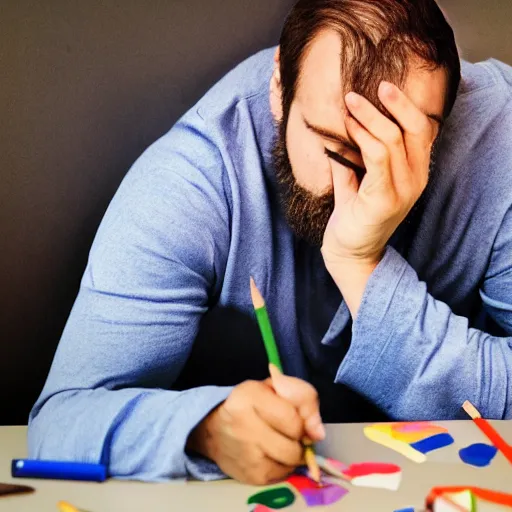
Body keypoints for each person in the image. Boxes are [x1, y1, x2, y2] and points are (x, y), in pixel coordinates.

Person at [28, 0, 512, 486]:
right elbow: (61, 419)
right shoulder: (197, 177)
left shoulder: (500, 137)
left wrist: (360, 262)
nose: (363, 189)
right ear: (279, 88)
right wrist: (204, 428)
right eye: (330, 145)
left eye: (400, 148)